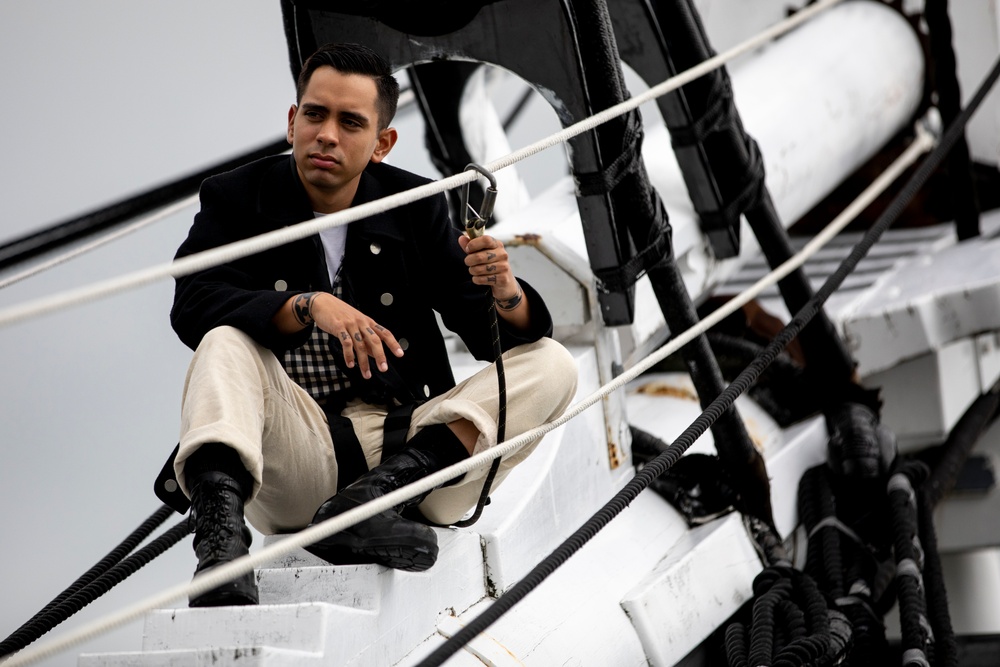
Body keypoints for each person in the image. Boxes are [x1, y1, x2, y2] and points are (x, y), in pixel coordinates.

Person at [157, 42, 578, 608]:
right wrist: (308, 306)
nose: (327, 134)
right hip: (299, 453)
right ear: (291, 122)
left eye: (350, 121)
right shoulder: (236, 199)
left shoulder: (417, 205)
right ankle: (221, 553)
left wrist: (505, 293)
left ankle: (369, 506)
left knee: (555, 363)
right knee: (224, 341)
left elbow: (492, 343)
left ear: (382, 143)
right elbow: (192, 304)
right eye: (314, 114)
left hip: (413, 460)